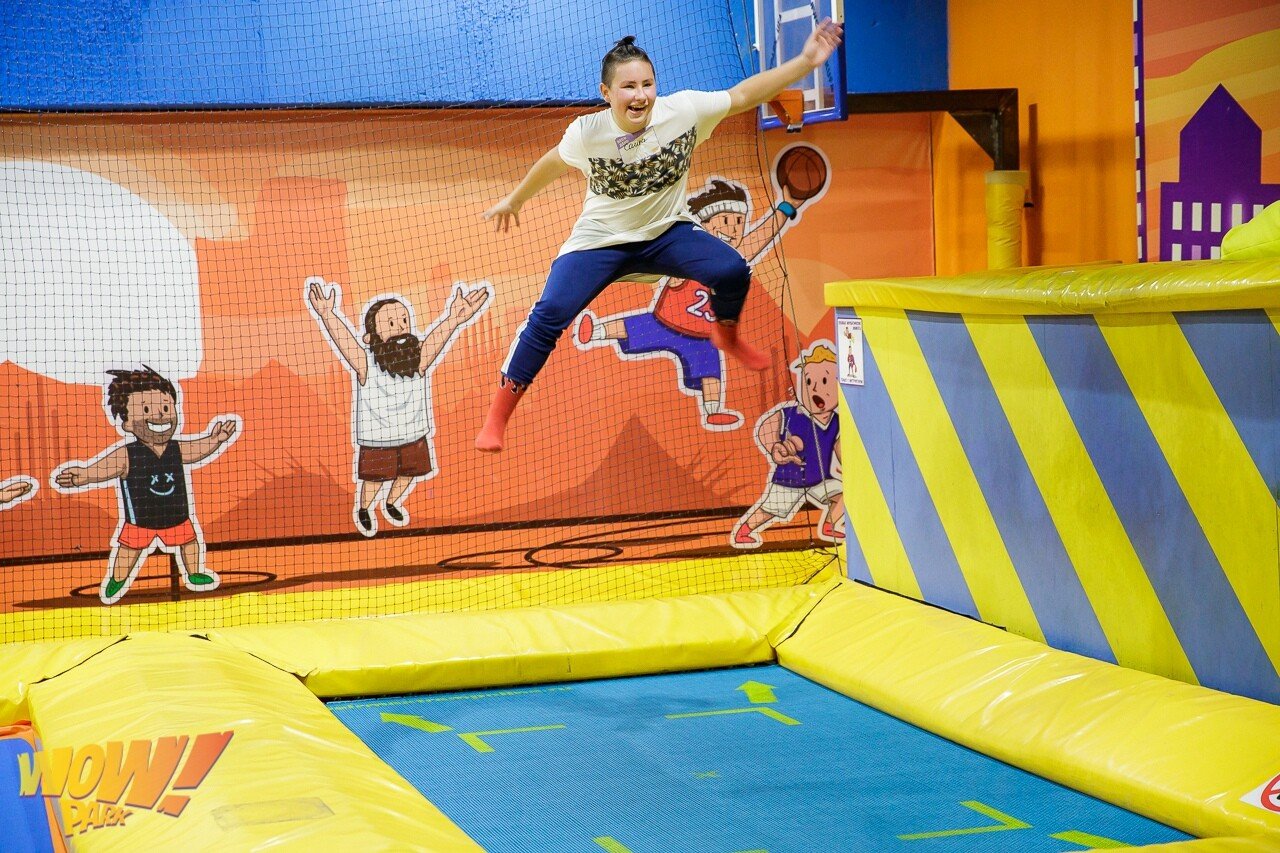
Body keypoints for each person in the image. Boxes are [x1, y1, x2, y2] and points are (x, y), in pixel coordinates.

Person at [476, 20, 844, 452]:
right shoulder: (587, 133)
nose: (640, 95)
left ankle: (725, 334)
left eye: (647, 84)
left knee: (732, 270)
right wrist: (515, 200)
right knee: (549, 313)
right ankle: (497, 417)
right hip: (601, 241)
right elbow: (553, 163)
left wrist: (805, 61)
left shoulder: (683, 112)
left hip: (667, 232)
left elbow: (745, 95)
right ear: (606, 92)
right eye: (628, 86)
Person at [575, 175, 819, 431]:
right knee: (634, 327)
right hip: (666, 322)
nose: (733, 229)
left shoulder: (730, 260)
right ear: (704, 224)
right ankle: (597, 330)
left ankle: (713, 410)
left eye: (739, 222)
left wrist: (786, 207)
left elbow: (757, 239)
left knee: (710, 370)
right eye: (726, 220)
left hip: (703, 337)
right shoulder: (687, 254)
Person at [307, 277, 491, 536]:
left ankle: (391, 502)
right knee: (374, 480)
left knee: (409, 474)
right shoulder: (366, 363)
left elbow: (436, 339)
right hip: (377, 440)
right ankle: (365, 508)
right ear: (371, 337)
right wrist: (328, 315)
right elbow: (345, 342)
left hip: (414, 435)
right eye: (391, 324)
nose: (401, 328)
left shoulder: (418, 360)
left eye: (404, 321)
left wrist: (454, 319)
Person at [52, 367, 238, 605]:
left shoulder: (177, 448)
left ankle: (194, 572)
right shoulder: (127, 455)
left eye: (166, 408)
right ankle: (117, 580)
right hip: (140, 522)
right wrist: (83, 476)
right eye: (147, 410)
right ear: (127, 424)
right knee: (127, 551)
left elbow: (198, 450)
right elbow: (101, 469)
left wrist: (215, 439)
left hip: (176, 517)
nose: (160, 415)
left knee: (189, 543)